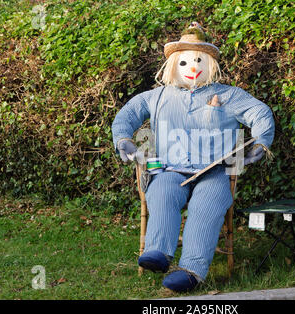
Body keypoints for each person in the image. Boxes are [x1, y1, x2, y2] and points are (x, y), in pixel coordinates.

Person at [111, 22, 275, 292]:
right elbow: (127, 114)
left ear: (210, 64)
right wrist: (124, 140)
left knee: (206, 208)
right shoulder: (157, 96)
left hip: (214, 172)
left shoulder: (228, 95)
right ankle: (158, 253)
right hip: (169, 169)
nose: (192, 68)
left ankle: (191, 271)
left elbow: (259, 113)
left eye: (199, 61)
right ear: (174, 65)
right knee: (161, 195)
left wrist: (260, 143)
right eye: (185, 62)